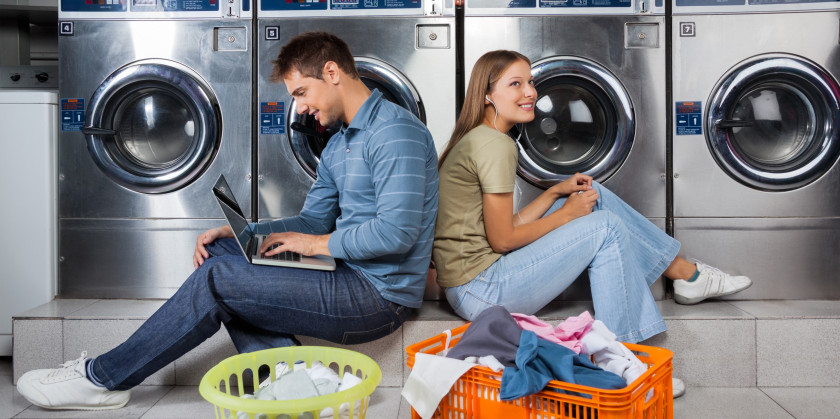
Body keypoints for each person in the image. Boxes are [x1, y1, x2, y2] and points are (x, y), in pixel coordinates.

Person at [16, 31, 439, 411]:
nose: (300, 106)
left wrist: (313, 246)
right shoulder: (338, 144)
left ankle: (102, 378)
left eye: (301, 92)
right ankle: (296, 383)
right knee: (224, 250)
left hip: (378, 296)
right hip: (345, 271)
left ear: (332, 72)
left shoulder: (395, 133)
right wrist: (246, 233)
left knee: (220, 280)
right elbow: (313, 219)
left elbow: (396, 234)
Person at [433, 50, 752, 345]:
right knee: (606, 228)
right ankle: (624, 353)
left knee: (591, 193)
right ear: (487, 95)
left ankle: (686, 274)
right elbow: (502, 239)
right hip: (482, 291)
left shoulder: (481, 137)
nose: (530, 92)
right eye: (515, 84)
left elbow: (501, 228)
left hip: (473, 285)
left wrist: (556, 193)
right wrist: (567, 214)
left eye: (530, 82)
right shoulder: (495, 146)